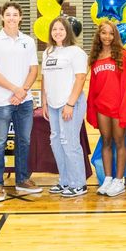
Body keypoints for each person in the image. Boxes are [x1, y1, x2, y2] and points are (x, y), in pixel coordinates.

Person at [0, 2, 41, 202]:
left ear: (20, 17)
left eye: (15, 14)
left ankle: (22, 179)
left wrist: (23, 91)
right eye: (8, 14)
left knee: (24, 140)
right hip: (1, 101)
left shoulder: (28, 41)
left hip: (24, 100)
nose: (11, 18)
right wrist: (15, 89)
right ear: (2, 17)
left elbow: (34, 70)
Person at [41, 17, 89, 197]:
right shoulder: (48, 52)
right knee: (56, 142)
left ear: (67, 31)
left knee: (70, 143)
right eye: (54, 29)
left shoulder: (75, 52)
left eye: (61, 29)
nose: (57, 32)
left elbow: (80, 78)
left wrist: (70, 103)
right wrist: (44, 102)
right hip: (52, 105)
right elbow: (45, 78)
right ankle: (65, 181)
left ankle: (79, 184)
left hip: (70, 104)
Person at [87, 20, 126, 197]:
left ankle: (119, 180)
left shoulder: (122, 54)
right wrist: (91, 107)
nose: (107, 36)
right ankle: (108, 178)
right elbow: (93, 85)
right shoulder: (95, 55)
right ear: (99, 35)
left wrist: (125, 109)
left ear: (115, 35)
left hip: (118, 106)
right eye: (104, 33)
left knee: (119, 142)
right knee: (106, 142)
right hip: (101, 107)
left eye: (111, 33)